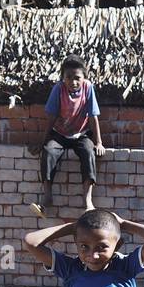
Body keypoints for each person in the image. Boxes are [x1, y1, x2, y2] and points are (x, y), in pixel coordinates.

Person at [37, 56, 104, 211]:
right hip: (60, 133)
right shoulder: (58, 89)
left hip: (81, 133)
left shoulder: (88, 88)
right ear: (63, 77)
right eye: (68, 78)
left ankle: (87, 199)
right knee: (48, 152)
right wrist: (43, 141)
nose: (73, 82)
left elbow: (93, 117)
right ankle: (47, 196)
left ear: (84, 78)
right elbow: (52, 117)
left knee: (88, 152)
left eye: (77, 78)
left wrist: (99, 142)